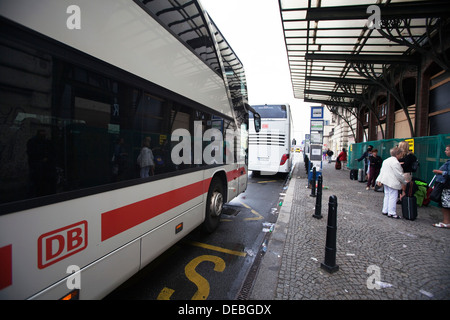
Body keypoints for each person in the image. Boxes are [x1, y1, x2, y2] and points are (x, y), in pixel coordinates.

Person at [376, 147, 407, 219]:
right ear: (397, 154)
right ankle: (391, 212)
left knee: (387, 195)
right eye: (400, 154)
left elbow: (382, 171)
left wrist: (379, 179)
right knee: (393, 196)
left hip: (385, 180)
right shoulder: (395, 162)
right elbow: (399, 174)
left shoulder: (386, 160)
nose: (401, 156)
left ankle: (385, 210)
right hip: (392, 181)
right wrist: (404, 182)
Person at [431, 144, 450, 228]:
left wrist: (439, 172)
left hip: (447, 185)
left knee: (445, 204)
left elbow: (448, 173)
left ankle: (446, 222)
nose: (445, 151)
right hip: (446, 184)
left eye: (447, 150)